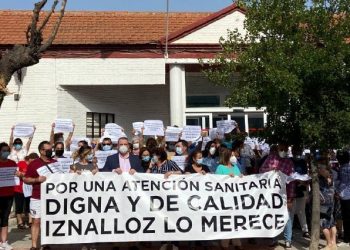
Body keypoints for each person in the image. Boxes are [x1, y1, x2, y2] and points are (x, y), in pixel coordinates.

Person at [260, 141, 295, 249]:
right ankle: (273, 239)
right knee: (273, 217)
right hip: (271, 194)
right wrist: (271, 170)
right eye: (281, 149)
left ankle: (287, 240)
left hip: (284, 195)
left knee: (287, 218)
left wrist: (290, 198)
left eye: (285, 150)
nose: (283, 151)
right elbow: (261, 171)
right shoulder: (271, 159)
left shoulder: (289, 162)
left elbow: (292, 181)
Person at [23, 141, 56, 250]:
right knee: (36, 221)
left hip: (52, 198)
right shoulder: (34, 164)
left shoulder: (55, 162)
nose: (51, 151)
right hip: (37, 197)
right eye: (48, 149)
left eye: (51, 149)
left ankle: (46, 244)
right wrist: (37, 179)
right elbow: (26, 179)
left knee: (48, 222)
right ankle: (33, 245)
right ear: (41, 151)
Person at [215, 147, 242, 250]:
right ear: (226, 156)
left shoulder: (235, 167)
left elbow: (239, 178)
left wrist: (241, 177)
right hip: (225, 200)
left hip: (236, 199)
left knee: (236, 222)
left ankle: (237, 242)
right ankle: (224, 244)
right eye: (231, 155)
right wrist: (226, 178)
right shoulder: (220, 168)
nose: (234, 157)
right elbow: (216, 182)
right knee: (227, 223)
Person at [14, 153, 38, 230]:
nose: (33, 163)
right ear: (29, 159)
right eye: (32, 161)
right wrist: (23, 174)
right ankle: (20, 222)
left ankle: (30, 221)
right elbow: (16, 173)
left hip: (30, 189)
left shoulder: (34, 165)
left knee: (29, 206)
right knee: (19, 206)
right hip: (19, 189)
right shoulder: (21, 163)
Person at [291, 146, 310, 238]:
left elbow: (306, 175)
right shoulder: (289, 160)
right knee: (291, 211)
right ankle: (289, 231)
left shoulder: (302, 162)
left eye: (298, 150)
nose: (297, 152)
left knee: (301, 211)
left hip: (301, 188)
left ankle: (305, 230)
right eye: (295, 150)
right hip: (291, 189)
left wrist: (303, 184)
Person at [0, 142, 16, 250]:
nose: (6, 153)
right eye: (4, 150)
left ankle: (4, 242)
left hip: (9, 194)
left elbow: (16, 176)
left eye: (7, 151)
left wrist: (19, 174)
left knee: (5, 218)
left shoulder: (12, 163)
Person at [319, 163, 337, 250]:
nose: (319, 170)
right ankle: (334, 243)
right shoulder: (331, 177)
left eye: (321, 169)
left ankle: (329, 244)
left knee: (323, 224)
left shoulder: (322, 179)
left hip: (324, 203)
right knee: (332, 222)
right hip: (331, 202)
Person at [336, 150, 350, 247]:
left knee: (346, 217)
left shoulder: (341, 169)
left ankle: (347, 237)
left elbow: (339, 182)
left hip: (344, 196)